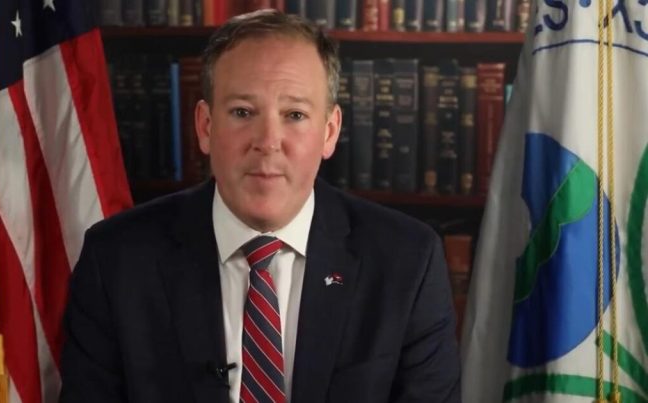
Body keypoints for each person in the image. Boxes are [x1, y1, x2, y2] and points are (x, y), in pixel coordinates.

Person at [59, 9, 460, 403]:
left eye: (295, 115)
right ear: (205, 126)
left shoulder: (407, 261)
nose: (267, 141)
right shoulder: (116, 260)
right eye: (243, 112)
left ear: (329, 132)